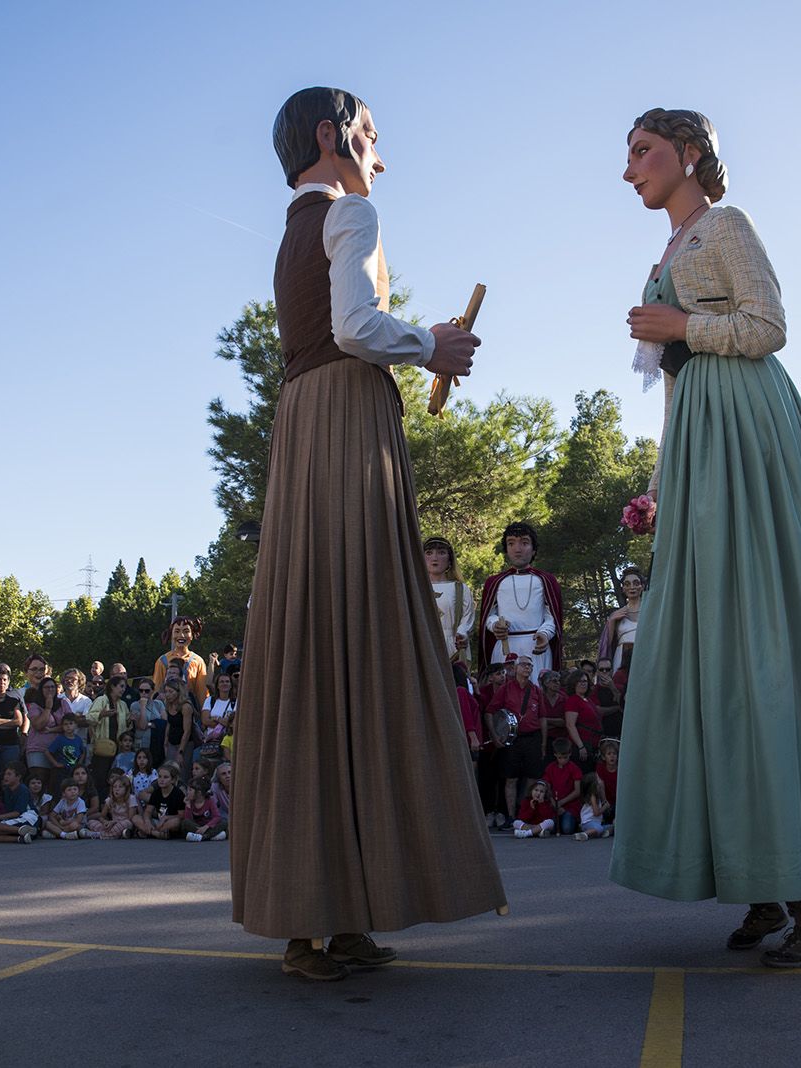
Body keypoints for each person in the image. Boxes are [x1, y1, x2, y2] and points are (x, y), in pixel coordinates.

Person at [611, 106, 801, 968]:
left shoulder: (725, 226)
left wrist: (682, 329)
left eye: (643, 152)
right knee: (712, 655)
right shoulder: (663, 254)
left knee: (765, 642)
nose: (630, 168)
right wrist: (663, 484)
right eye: (629, 155)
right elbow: (674, 390)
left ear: (691, 155)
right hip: (704, 443)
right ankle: (759, 884)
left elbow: (767, 328)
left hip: (752, 428)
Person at [231, 85, 505, 983]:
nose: (380, 158)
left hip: (304, 428)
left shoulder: (291, 229)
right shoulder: (351, 213)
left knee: (318, 649)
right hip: (346, 422)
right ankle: (333, 915)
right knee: (360, 642)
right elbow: (355, 328)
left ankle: (324, 916)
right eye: (372, 138)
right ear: (331, 135)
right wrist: (433, 346)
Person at [479, 522, 565, 678]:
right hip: (505, 648)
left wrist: (545, 634)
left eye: (524, 543)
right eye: (511, 543)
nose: (517, 549)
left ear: (533, 550)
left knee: (537, 696)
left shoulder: (546, 580)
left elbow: (552, 617)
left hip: (537, 648)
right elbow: (488, 615)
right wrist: (495, 625)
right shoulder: (494, 582)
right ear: (506, 549)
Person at [490, 655, 548, 823]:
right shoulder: (506, 689)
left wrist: (543, 742)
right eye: (523, 665)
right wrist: (495, 735)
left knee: (532, 777)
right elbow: (490, 711)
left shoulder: (536, 690)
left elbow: (543, 717)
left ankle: (525, 812)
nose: (527, 668)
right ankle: (510, 815)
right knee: (511, 778)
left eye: (530, 665)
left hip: (533, 738)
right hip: (512, 740)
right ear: (515, 668)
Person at [425, 536, 475, 667]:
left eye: (441, 553)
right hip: (423, 645)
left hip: (452, 646)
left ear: (450, 560)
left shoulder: (459, 589)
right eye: (429, 553)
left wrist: (462, 634)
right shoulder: (415, 588)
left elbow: (467, 617)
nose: (435, 558)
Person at [86, 677, 132, 796]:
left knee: (116, 779)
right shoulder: (101, 700)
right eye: (121, 686)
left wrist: (131, 720)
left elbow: (127, 724)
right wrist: (101, 715)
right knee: (100, 777)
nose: (123, 689)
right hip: (103, 748)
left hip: (118, 748)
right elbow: (89, 718)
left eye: (124, 687)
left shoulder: (123, 705)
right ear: (112, 686)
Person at [152, 616, 209, 711]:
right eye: (177, 631)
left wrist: (203, 714)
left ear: (192, 634)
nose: (181, 635)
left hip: (189, 711)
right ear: (171, 634)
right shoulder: (162, 661)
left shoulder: (198, 661)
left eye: (186, 631)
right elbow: (156, 689)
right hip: (166, 712)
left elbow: (202, 693)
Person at [599, 566, 646, 674]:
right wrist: (611, 622)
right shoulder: (617, 615)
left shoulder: (650, 612)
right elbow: (607, 644)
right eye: (627, 584)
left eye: (636, 583)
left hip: (645, 655)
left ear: (642, 586)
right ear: (623, 588)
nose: (632, 587)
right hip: (622, 659)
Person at [23, 677, 65, 793]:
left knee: (54, 784)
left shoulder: (63, 703)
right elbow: (38, 725)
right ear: (41, 689)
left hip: (58, 750)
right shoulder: (34, 706)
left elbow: (70, 724)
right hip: (38, 748)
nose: (50, 690)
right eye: (47, 687)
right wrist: (48, 708)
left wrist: (52, 730)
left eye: (52, 687)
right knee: (38, 782)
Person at [542, 738, 583, 836]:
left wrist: (561, 803)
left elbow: (577, 791)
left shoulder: (574, 769)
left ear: (570, 754)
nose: (563, 760)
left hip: (570, 806)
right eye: (560, 757)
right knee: (550, 827)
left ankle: (574, 822)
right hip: (553, 805)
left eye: (565, 757)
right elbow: (546, 787)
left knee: (567, 829)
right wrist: (553, 803)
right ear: (555, 755)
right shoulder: (550, 768)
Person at [134, 765, 185, 839]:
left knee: (176, 822)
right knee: (136, 818)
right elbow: (148, 811)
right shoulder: (156, 793)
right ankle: (156, 833)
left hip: (168, 822)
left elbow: (181, 815)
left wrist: (166, 818)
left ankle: (148, 832)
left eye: (165, 777)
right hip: (157, 822)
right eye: (160, 777)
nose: (161, 780)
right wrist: (148, 822)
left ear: (173, 780)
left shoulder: (178, 794)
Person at [89, 774, 138, 839]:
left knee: (126, 823)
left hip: (123, 823)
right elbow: (101, 816)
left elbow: (130, 818)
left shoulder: (131, 798)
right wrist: (105, 822)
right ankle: (110, 835)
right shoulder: (110, 800)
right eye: (114, 787)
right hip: (111, 825)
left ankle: (94, 834)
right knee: (91, 822)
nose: (117, 789)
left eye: (120, 787)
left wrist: (114, 822)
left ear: (126, 789)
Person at [574, 774, 613, 841]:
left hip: (595, 823)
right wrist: (605, 807)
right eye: (598, 779)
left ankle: (597, 833)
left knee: (612, 827)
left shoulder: (597, 794)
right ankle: (584, 834)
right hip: (588, 822)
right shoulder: (593, 797)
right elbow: (596, 813)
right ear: (594, 785)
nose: (600, 781)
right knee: (599, 829)